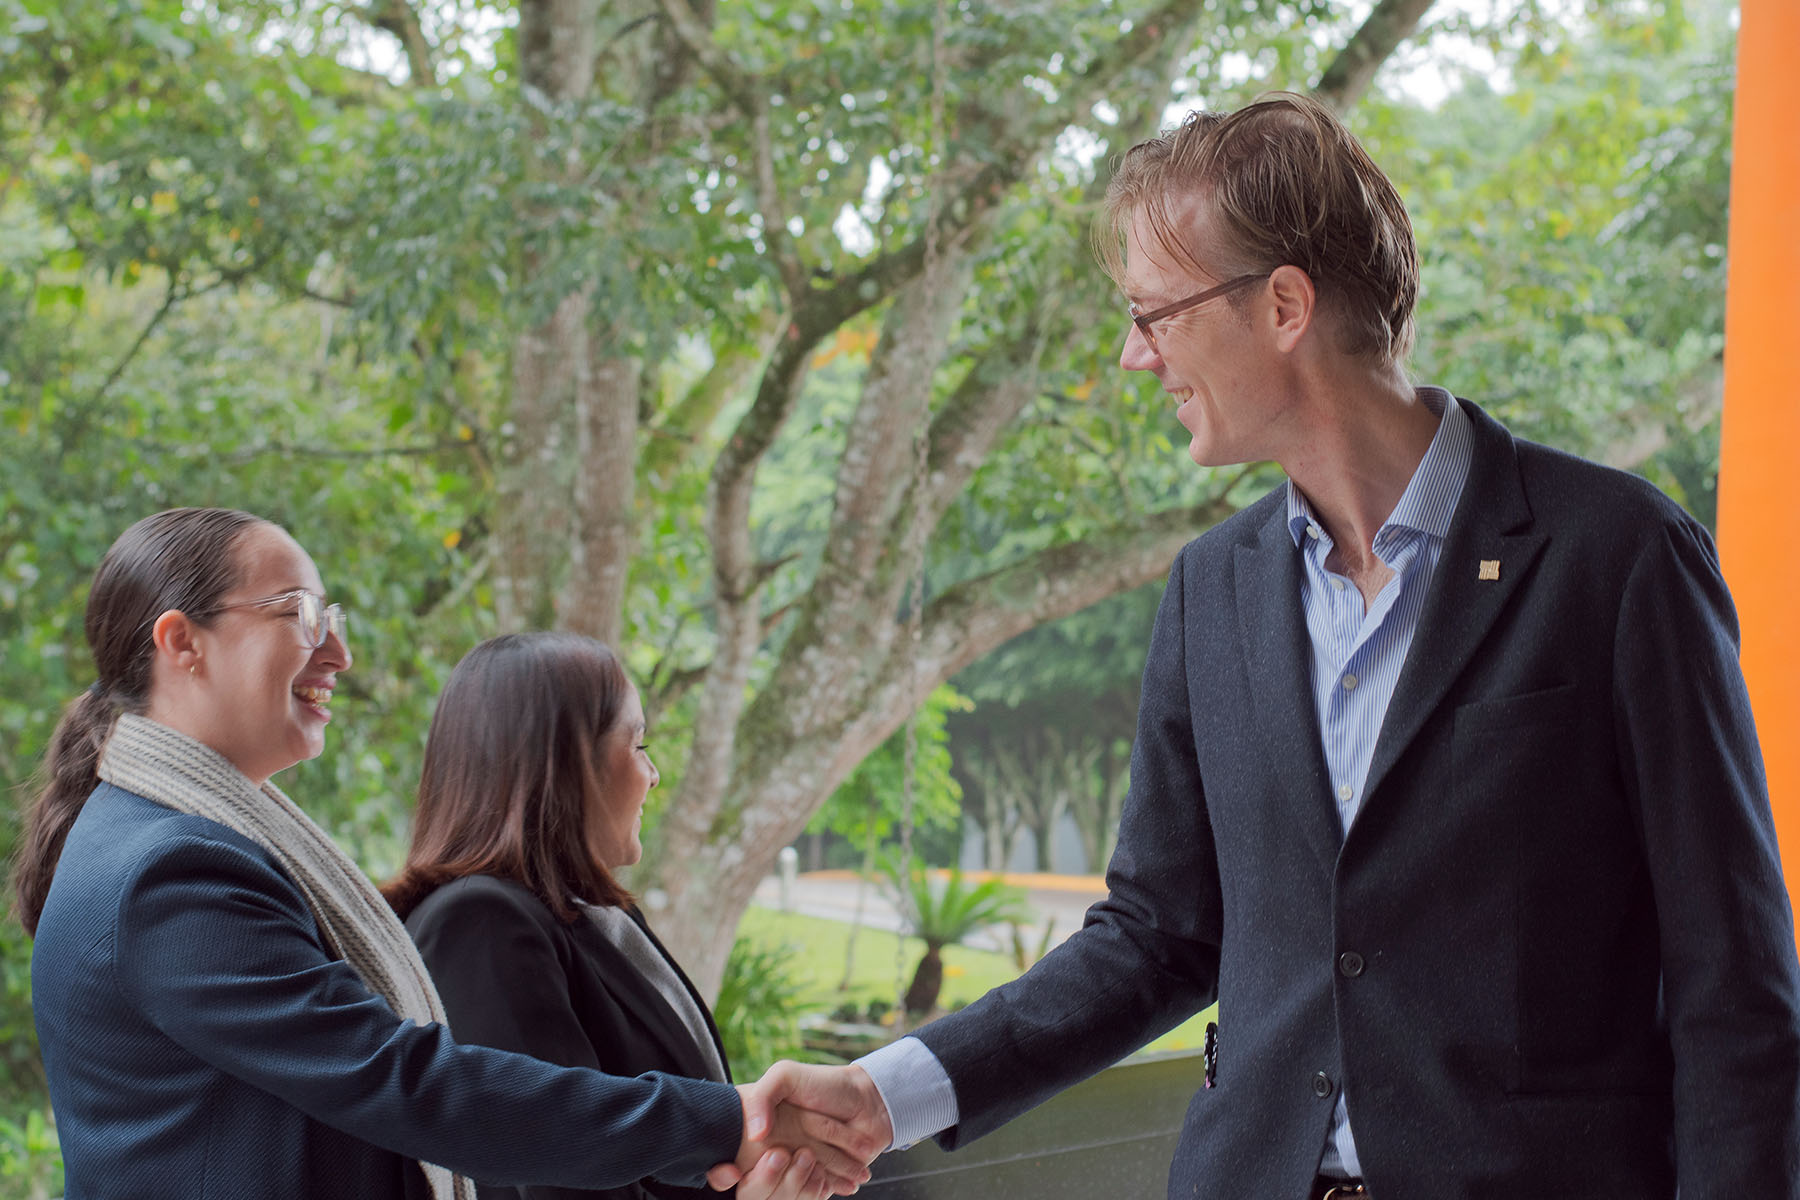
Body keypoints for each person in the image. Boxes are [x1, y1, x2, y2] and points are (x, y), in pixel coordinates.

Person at [752, 92, 1800, 1198]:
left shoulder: (1618, 557)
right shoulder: (1212, 588)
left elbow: (1733, 987)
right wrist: (887, 1093)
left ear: (1285, 305)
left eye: (1154, 315)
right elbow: (1155, 936)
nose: (1135, 356)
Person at [15, 508, 878, 1200]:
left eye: (333, 619)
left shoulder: (171, 840)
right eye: (301, 614)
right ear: (181, 643)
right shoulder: (171, 873)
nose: (339, 653)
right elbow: (407, 1083)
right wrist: (729, 1123)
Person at [385, 632, 736, 1200]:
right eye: (639, 745)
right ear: (568, 764)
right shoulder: (481, 924)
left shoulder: (595, 916)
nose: (653, 775)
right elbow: (558, 1179)